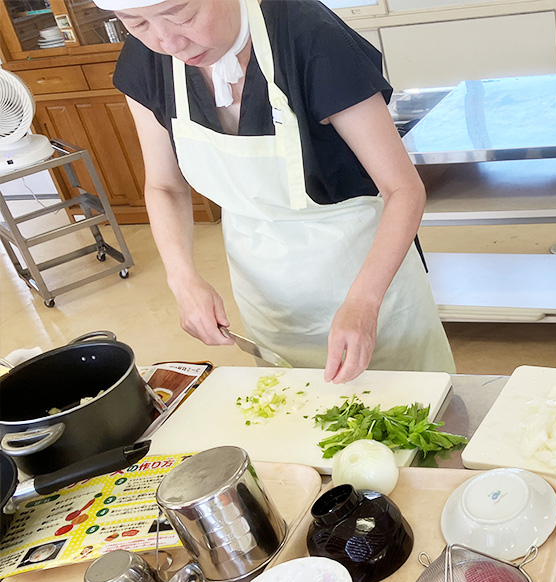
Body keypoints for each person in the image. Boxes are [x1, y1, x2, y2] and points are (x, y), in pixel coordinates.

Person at [98, 0, 455, 382]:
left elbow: (403, 189)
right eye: (135, 23)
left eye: (183, 16)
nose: (168, 42)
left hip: (365, 275)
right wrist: (182, 278)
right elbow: (165, 186)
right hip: (265, 289)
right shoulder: (150, 56)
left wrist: (363, 303)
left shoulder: (310, 36)